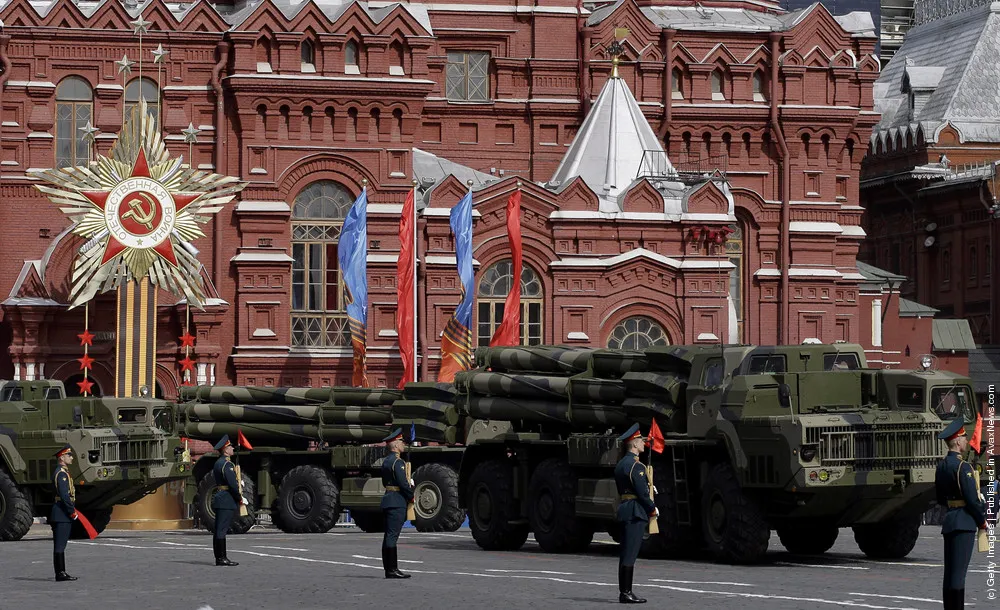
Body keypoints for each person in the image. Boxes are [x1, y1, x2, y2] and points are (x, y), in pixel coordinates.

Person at [935, 418, 987, 610]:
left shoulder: (941, 466)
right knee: (959, 576)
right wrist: (982, 521)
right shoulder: (962, 467)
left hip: (950, 520)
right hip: (964, 523)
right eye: (964, 437)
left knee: (949, 574)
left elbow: (940, 498)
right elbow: (973, 501)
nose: (966, 441)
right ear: (957, 441)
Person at [614, 423, 657, 604]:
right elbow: (642, 493)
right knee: (631, 553)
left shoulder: (621, 465)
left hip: (624, 508)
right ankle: (626, 593)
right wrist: (651, 508)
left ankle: (624, 591)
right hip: (635, 511)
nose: (644, 444)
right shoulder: (636, 466)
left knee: (624, 553)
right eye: (641, 441)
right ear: (633, 443)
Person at [380, 428, 414, 579]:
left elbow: (384, 482)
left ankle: (389, 568)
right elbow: (403, 483)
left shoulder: (387, 461)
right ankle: (392, 569)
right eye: (401, 441)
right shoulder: (397, 462)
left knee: (388, 536)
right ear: (395, 445)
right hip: (397, 501)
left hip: (388, 499)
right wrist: (411, 494)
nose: (403, 444)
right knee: (392, 536)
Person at [211, 435, 242, 567]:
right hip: (226, 499)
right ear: (225, 450)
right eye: (230, 447)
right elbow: (233, 485)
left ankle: (219, 557)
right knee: (222, 529)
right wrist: (239, 497)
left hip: (220, 497)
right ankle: (222, 558)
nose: (232, 448)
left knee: (218, 529)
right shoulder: (227, 464)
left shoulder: (218, 463)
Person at [51, 445, 78, 582]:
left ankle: (61, 572)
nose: (71, 457)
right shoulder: (61, 474)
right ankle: (60, 573)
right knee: (60, 545)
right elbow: (64, 495)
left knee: (61, 545)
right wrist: (71, 512)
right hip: (62, 513)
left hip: (60, 512)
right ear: (62, 457)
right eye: (69, 455)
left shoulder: (63, 472)